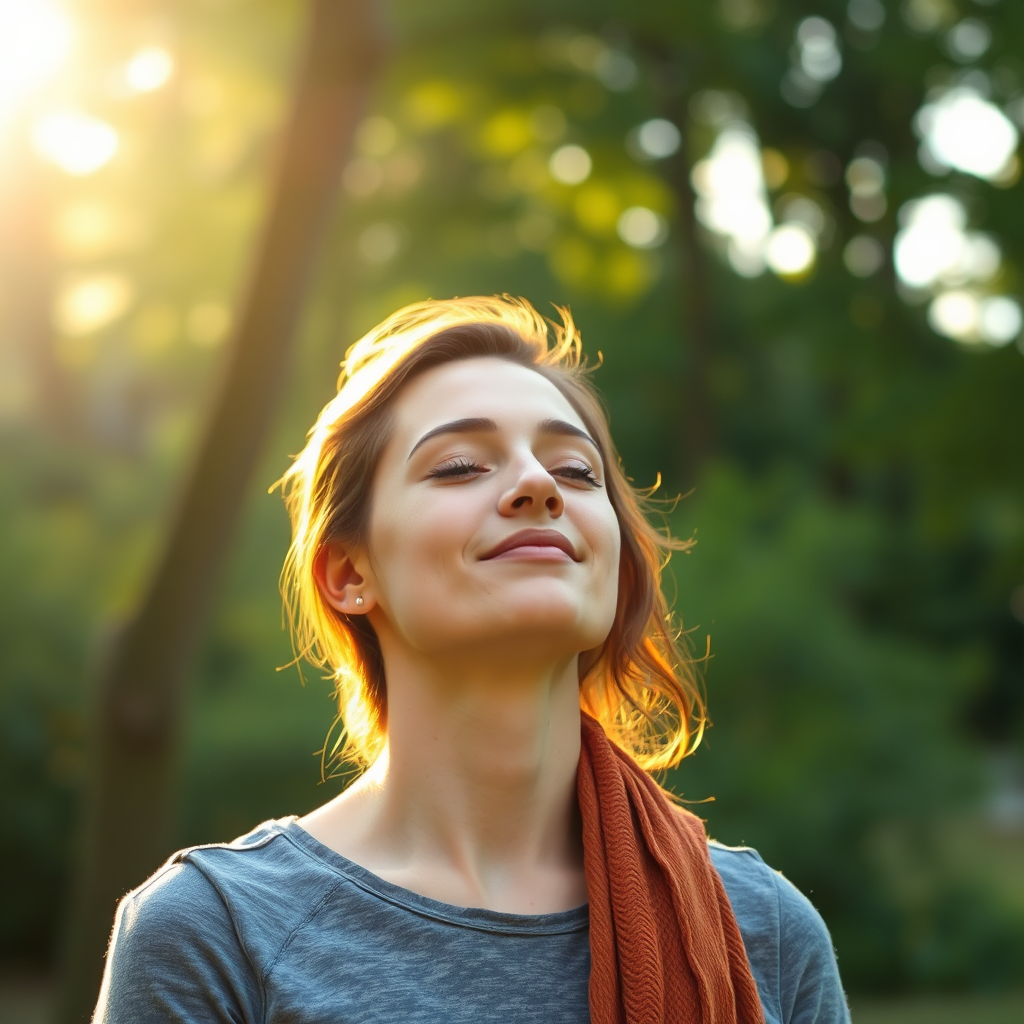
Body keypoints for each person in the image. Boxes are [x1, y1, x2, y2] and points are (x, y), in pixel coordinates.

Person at [94, 296, 851, 1024]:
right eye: (460, 466)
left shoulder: (762, 929)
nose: (537, 485)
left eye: (577, 471)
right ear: (350, 575)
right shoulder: (215, 934)